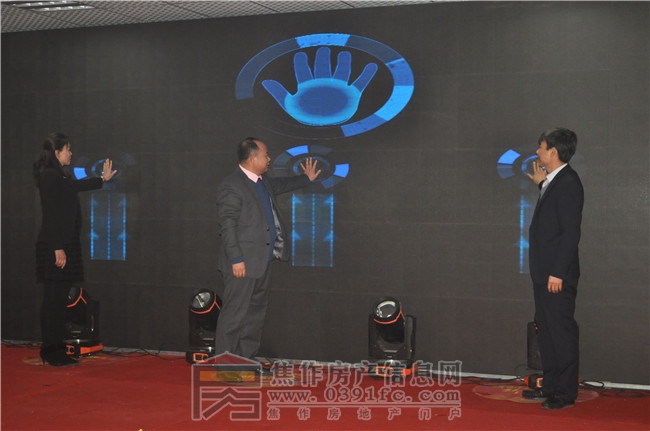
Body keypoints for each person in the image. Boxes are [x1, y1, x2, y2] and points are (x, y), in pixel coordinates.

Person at [214, 137, 321, 363]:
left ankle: (245, 361)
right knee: (234, 317)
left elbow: (283, 185)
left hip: (262, 261)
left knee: (254, 316)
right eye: (266, 155)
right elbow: (227, 225)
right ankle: (227, 366)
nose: (269, 159)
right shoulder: (232, 185)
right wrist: (236, 258)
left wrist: (306, 178)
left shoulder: (262, 182)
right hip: (242, 264)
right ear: (253, 158)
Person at [33, 132, 116, 366]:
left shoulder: (60, 175)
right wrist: (58, 248)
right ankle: (51, 350)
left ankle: (56, 347)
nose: (70, 153)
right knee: (53, 299)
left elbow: (76, 186)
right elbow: (50, 214)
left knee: (59, 300)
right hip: (54, 246)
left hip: (62, 244)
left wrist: (102, 179)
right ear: (57, 152)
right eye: (67, 149)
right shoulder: (50, 176)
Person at [523, 128, 584, 410]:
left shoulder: (569, 182)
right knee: (546, 330)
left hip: (556, 275)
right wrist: (541, 185)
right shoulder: (555, 182)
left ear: (554, 152)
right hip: (543, 273)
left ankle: (565, 393)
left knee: (560, 331)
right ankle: (550, 386)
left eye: (541, 147)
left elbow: (570, 233)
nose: (537, 152)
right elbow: (552, 218)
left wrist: (558, 272)